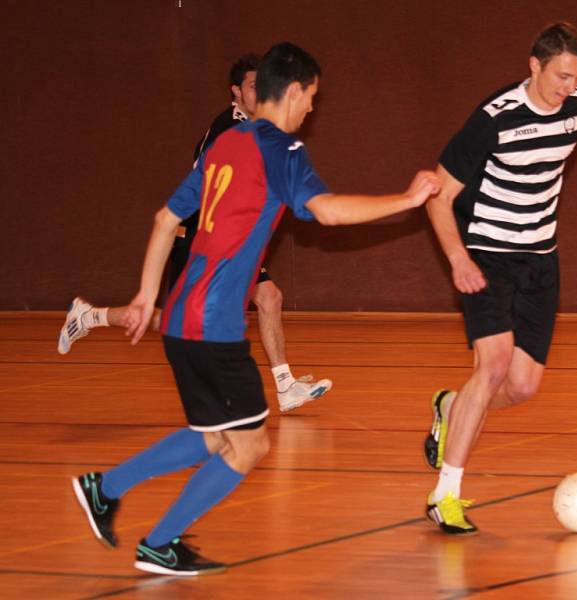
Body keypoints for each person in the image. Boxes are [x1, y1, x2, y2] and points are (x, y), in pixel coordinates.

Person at [72, 42, 440, 576]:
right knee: (249, 447)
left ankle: (109, 494)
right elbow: (327, 213)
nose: (311, 109)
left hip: (181, 317)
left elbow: (162, 220)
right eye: (311, 97)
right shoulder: (279, 149)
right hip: (213, 323)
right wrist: (406, 200)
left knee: (216, 437)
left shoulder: (223, 144)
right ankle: (153, 537)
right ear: (292, 91)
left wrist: (147, 296)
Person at [57, 53, 331, 413]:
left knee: (270, 298)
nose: (259, 91)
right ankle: (89, 316)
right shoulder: (229, 130)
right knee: (171, 321)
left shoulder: (259, 130)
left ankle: (285, 386)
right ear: (236, 92)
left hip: (231, 243)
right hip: (202, 239)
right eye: (252, 85)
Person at [423, 22, 577, 535]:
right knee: (493, 366)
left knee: (521, 386)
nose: (569, 88)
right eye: (561, 76)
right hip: (487, 255)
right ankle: (444, 496)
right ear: (534, 65)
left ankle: (451, 406)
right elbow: (438, 195)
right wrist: (458, 260)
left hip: (540, 257)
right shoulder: (492, 121)